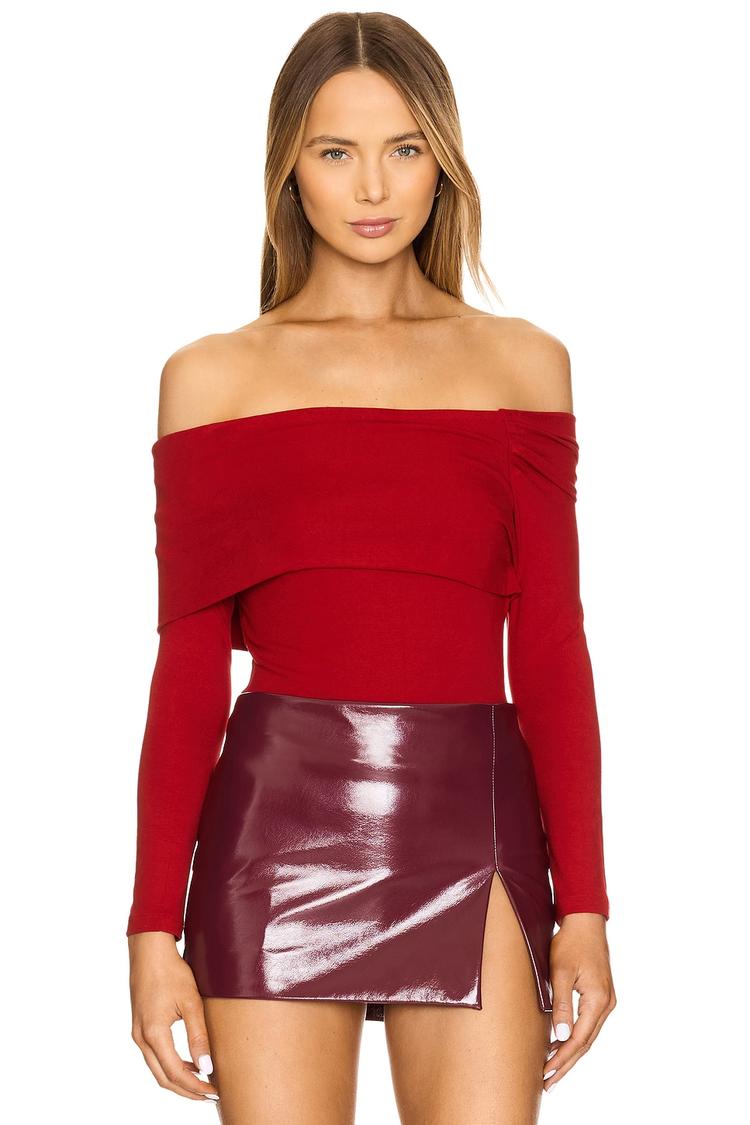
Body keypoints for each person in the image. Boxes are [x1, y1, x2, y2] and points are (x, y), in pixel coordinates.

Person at [126, 11, 616, 1124]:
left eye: (404, 148)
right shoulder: (213, 380)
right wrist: (152, 927)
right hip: (273, 834)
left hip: (474, 821)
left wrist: (585, 903)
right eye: (335, 151)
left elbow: (552, 647)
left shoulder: (523, 367)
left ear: (444, 161)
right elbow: (189, 670)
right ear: (287, 168)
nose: (373, 187)